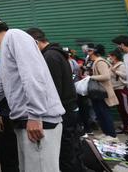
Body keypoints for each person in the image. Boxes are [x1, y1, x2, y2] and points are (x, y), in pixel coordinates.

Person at [0, 15, 65, 172]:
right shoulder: (6, 48)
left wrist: (35, 115)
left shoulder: (15, 36)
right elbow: (0, 86)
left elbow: (33, 75)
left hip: (39, 123)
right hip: (24, 122)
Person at [26, 28, 84, 172]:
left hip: (64, 111)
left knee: (65, 152)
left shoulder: (50, 57)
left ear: (35, 42)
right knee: (69, 148)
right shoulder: (56, 54)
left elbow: (52, 89)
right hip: (68, 108)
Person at [87, 44, 118, 138]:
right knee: (99, 114)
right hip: (98, 93)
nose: (87, 53)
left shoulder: (100, 62)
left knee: (105, 113)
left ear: (94, 52)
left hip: (103, 92)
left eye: (89, 51)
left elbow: (106, 76)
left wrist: (90, 77)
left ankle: (112, 135)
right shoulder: (95, 62)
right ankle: (106, 133)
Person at [108, 48, 128, 135]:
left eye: (110, 56)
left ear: (115, 57)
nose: (108, 57)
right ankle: (126, 128)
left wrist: (115, 71)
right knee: (121, 111)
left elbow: (126, 76)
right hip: (115, 90)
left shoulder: (121, 65)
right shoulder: (112, 65)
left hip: (122, 90)